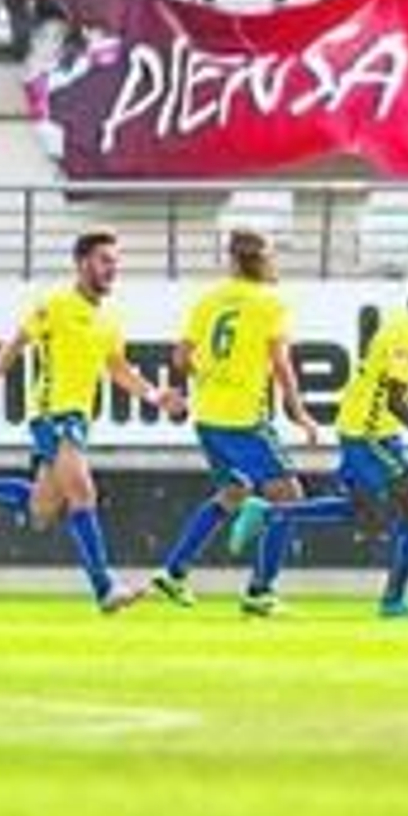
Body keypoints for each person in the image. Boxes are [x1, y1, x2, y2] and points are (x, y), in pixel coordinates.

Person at [0, 229, 186, 614]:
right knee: (83, 494)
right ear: (82, 264)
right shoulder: (56, 304)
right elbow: (17, 341)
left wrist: (155, 396)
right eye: (104, 261)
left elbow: (117, 369)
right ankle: (104, 587)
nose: (112, 269)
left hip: (78, 417)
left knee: (41, 510)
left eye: (115, 262)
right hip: (51, 414)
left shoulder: (109, 318)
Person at [227, 251, 408, 619]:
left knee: (361, 511)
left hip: (363, 428)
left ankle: (271, 512)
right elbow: (395, 404)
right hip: (370, 434)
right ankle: (393, 602)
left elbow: (380, 378)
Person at [150, 229, 321, 618]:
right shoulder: (269, 302)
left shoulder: (209, 299)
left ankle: (174, 571)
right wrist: (298, 413)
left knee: (233, 493)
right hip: (243, 418)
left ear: (231, 259)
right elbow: (280, 364)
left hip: (208, 416)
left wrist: (208, 376)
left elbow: (180, 357)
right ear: (263, 259)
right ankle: (260, 591)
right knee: (289, 497)